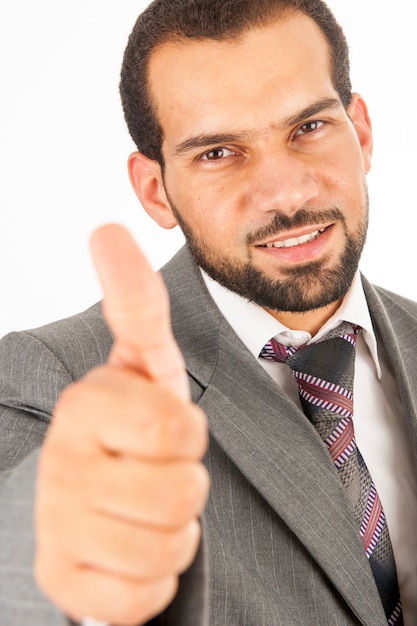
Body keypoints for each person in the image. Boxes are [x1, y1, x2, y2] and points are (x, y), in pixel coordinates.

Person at [0, 0, 416, 624]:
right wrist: (59, 593)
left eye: (308, 127)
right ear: (155, 190)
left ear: (360, 133)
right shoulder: (54, 382)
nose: (286, 194)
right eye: (218, 152)